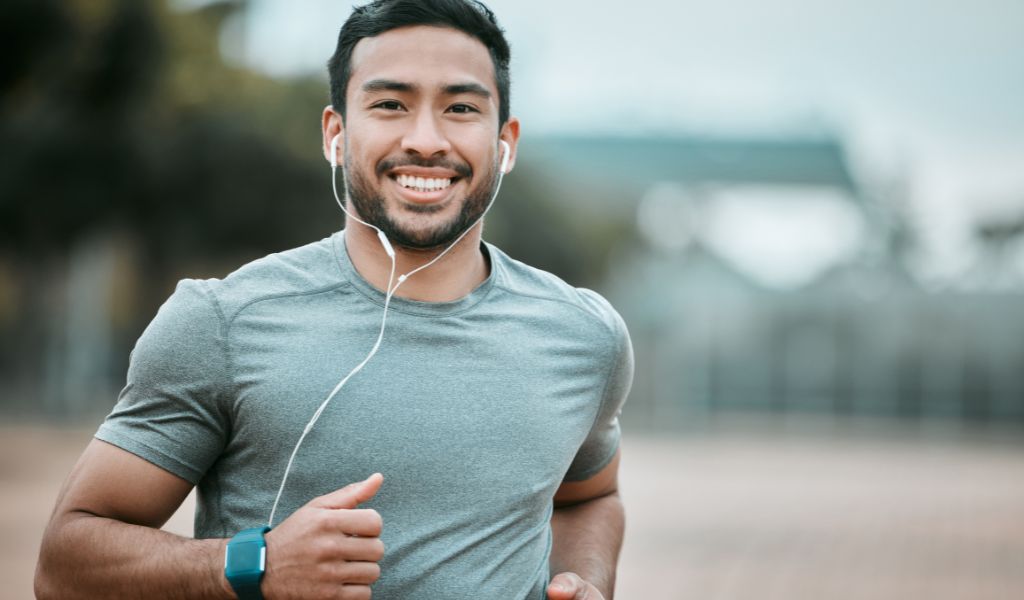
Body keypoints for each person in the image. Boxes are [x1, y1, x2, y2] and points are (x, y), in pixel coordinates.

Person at [35, 0, 633, 598]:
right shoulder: (222, 322)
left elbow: (590, 496)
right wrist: (254, 564)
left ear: (505, 141)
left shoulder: (584, 336)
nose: (426, 141)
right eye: (390, 104)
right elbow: (63, 565)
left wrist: (585, 580)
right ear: (336, 135)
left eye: (460, 108)